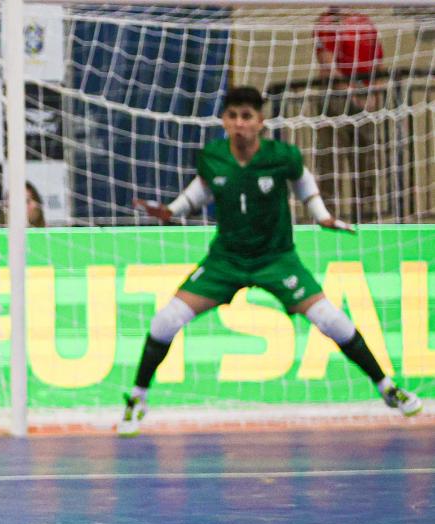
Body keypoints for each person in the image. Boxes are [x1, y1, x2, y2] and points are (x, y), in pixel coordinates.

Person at [124, 86, 421, 438]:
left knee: (331, 319)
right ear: (224, 120)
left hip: (276, 258)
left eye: (247, 117)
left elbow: (302, 182)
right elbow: (202, 189)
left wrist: (321, 214)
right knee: (165, 320)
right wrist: (172, 210)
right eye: (232, 116)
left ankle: (387, 387)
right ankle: (138, 398)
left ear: (260, 122)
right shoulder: (213, 156)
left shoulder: (283, 156)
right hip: (227, 259)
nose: (239, 123)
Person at [312, 8, 387, 222]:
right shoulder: (326, 23)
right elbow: (327, 63)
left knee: (366, 161)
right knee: (330, 161)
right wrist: (350, 90)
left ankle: (365, 218)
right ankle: (327, 217)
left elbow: (379, 61)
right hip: (335, 96)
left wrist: (375, 91)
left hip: (366, 96)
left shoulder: (366, 23)